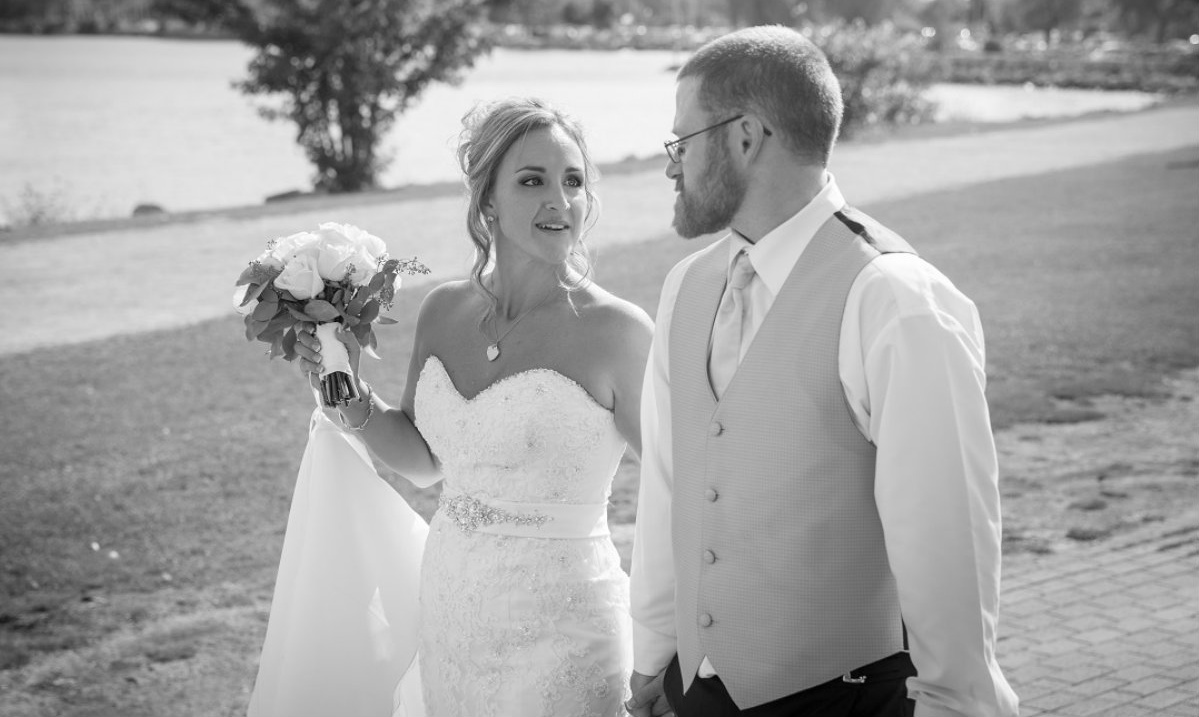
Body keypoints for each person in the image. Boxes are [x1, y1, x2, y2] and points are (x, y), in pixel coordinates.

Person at [626, 26, 1019, 717]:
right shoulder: (685, 285)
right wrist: (654, 655)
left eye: (680, 142)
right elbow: (668, 487)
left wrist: (958, 705)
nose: (670, 165)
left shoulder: (892, 298)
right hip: (694, 692)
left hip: (843, 700)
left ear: (744, 136)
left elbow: (943, 537)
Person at [268, 97, 652, 716]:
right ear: (488, 202)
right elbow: (424, 464)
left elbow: (678, 484)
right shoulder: (444, 310)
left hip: (566, 635)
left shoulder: (617, 331)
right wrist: (340, 384)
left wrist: (671, 638)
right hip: (451, 613)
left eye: (573, 181)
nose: (561, 201)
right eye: (533, 181)